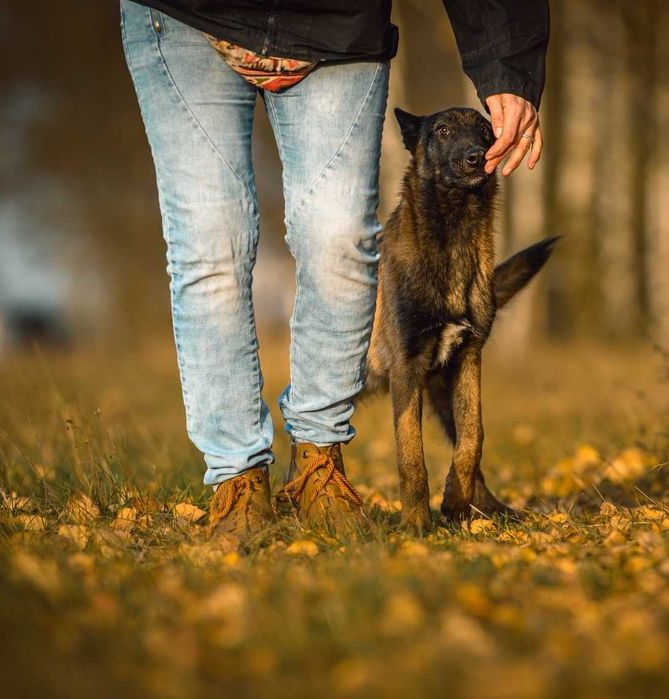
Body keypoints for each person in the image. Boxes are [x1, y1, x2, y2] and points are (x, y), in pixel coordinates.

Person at [119, 0, 549, 541]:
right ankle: (237, 477)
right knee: (210, 248)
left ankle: (318, 463)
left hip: (337, 26)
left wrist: (506, 64)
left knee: (341, 239)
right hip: (185, 17)